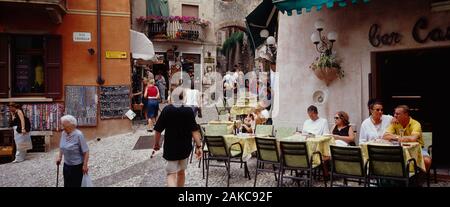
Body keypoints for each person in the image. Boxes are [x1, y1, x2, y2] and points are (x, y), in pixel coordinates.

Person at [153, 87, 203, 187]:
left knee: (171, 174)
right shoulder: (188, 111)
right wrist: (199, 146)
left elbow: (158, 130)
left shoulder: (167, 110)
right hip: (185, 148)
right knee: (181, 172)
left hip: (171, 148)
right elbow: (194, 131)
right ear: (184, 97)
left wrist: (156, 144)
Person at [383, 105, 432, 172]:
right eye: (394, 113)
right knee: (386, 158)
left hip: (417, 149)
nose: (394, 115)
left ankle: (418, 177)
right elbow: (385, 136)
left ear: (405, 114)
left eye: (397, 114)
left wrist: (394, 136)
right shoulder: (395, 123)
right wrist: (398, 137)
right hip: (400, 149)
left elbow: (413, 139)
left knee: (427, 161)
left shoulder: (415, 124)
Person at [56, 115, 89, 187]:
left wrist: (85, 165)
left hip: (77, 166)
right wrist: (59, 157)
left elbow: (86, 151)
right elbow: (62, 146)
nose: (63, 127)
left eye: (64, 125)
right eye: (62, 124)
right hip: (66, 165)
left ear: (71, 124)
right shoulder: (63, 133)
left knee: (76, 185)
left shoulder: (79, 135)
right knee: (67, 184)